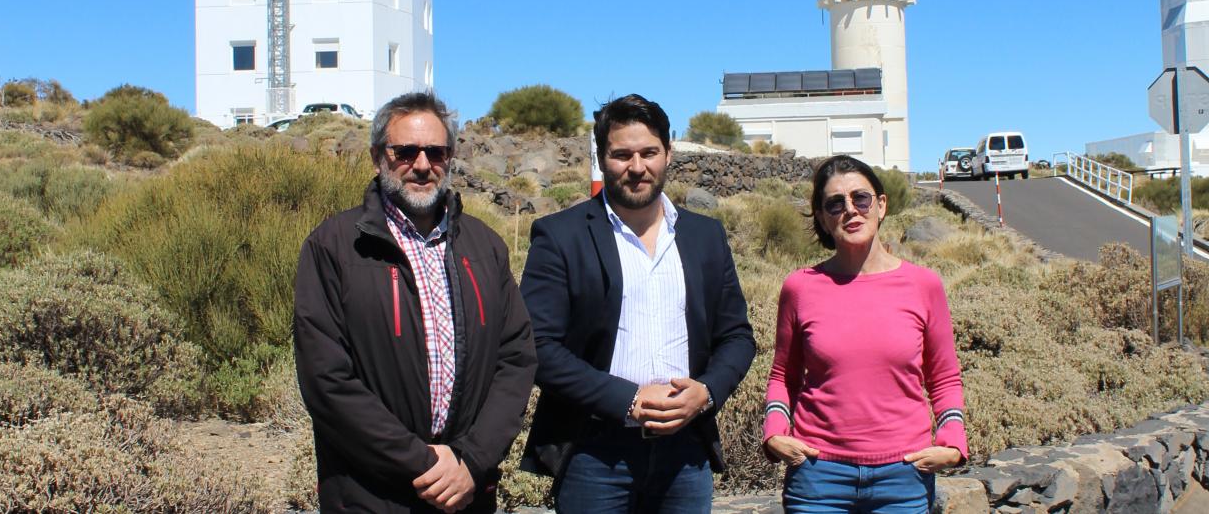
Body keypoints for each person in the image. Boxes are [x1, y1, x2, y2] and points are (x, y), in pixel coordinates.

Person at [293, 92, 537, 513]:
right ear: (377, 157)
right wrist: (424, 464)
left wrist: (470, 460)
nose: (422, 165)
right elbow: (326, 380)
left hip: (467, 491)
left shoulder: (484, 246)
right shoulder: (333, 247)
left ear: (450, 157)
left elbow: (515, 359)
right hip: (370, 495)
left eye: (435, 152)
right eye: (405, 152)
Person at [518, 94, 756, 513]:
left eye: (649, 152)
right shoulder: (560, 236)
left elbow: (736, 336)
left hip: (686, 453)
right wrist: (626, 399)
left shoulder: (705, 237)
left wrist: (706, 392)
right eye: (622, 154)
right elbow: (538, 346)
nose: (637, 167)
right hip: (595, 452)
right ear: (602, 157)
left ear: (669, 152)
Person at [762, 155, 968, 513]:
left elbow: (945, 377)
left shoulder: (924, 285)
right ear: (823, 219)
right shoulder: (800, 288)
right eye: (835, 204)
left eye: (861, 198)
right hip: (817, 476)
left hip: (904, 476)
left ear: (881, 205)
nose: (850, 211)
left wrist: (952, 439)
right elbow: (784, 375)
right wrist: (775, 430)